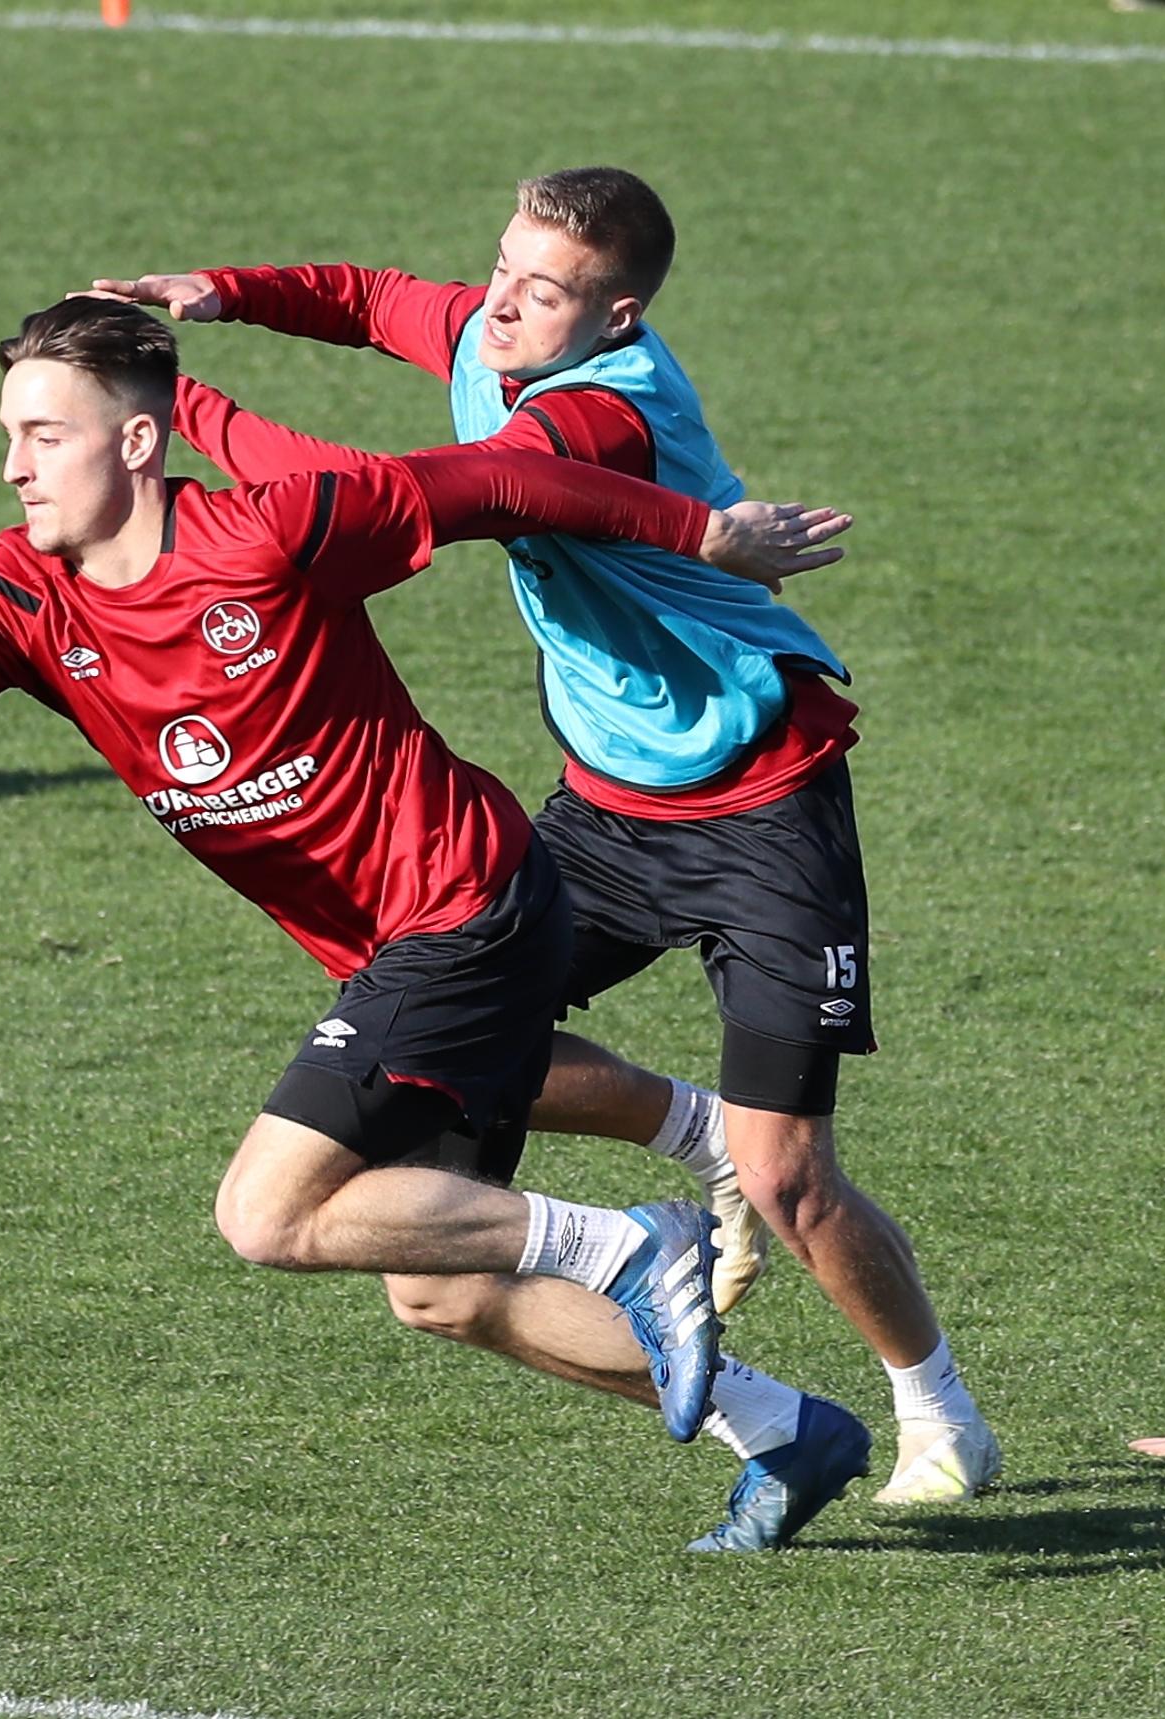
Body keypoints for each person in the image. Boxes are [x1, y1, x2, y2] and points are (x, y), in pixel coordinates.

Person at [0, 297, 869, 1551]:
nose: (13, 464)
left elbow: (498, 479)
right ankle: (781, 1429)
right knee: (440, 1288)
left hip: (469, 903)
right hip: (401, 946)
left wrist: (703, 531)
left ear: (134, 442)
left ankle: (628, 1245)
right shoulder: (18, 597)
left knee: (265, 1216)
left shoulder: (274, 529)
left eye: (44, 434)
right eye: (9, 435)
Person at [86, 165, 1000, 1506]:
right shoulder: (496, 330)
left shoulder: (600, 420)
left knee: (791, 1172)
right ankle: (692, 1148)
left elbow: (388, 489)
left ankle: (938, 1407)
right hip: (604, 807)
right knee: (460, 1002)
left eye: (545, 291)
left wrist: (182, 405)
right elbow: (382, 299)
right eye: (505, 268)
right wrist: (222, 293)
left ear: (617, 314)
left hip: (761, 801)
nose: (502, 305)